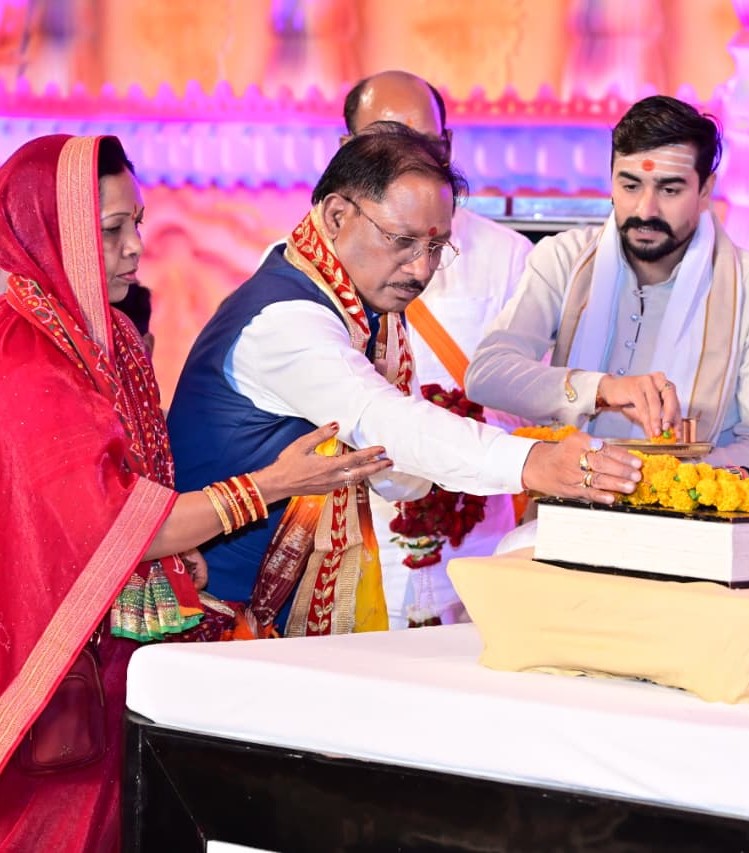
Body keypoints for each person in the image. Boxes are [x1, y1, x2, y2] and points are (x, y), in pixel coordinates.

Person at [0, 135, 392, 852]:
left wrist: (180, 560)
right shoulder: (29, 359)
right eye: (109, 230)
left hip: (122, 656)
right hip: (57, 673)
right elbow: (124, 528)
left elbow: (142, 503)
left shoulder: (108, 337)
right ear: (49, 235)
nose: (133, 247)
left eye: (138, 223)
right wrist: (274, 483)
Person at [166, 126, 641, 637]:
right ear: (335, 216)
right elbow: (381, 419)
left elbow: (394, 465)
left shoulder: (359, 309)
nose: (421, 269)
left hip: (269, 615)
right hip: (219, 617)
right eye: (403, 241)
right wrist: (531, 462)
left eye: (437, 247)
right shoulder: (286, 319)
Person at [465, 95, 749, 475]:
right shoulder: (564, 260)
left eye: (670, 190)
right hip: (564, 508)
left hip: (692, 526)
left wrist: (659, 479)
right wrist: (602, 389)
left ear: (706, 189)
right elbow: (487, 375)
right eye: (630, 186)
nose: (646, 210)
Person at [342, 71, 534, 626]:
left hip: (478, 537)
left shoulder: (509, 257)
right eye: (380, 142)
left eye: (421, 144)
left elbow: (535, 406)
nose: (402, 160)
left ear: (447, 148)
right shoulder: (297, 260)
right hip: (357, 536)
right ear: (344, 151)